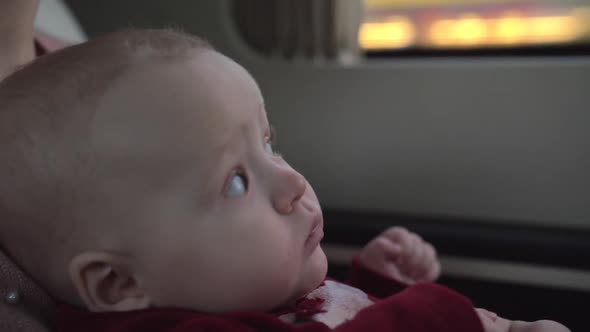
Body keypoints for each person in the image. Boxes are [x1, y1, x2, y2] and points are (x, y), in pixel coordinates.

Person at [0, 28, 569, 332]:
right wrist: (445, 318)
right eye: (237, 182)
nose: (294, 182)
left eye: (270, 143)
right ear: (120, 283)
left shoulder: (242, 288)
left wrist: (378, 282)